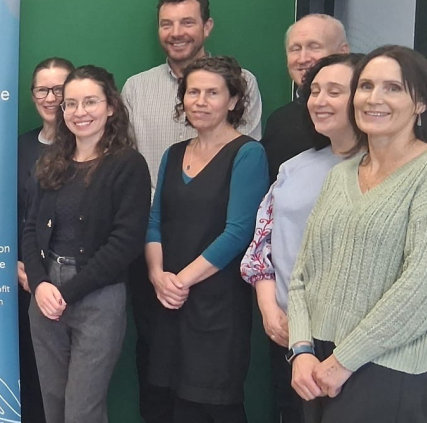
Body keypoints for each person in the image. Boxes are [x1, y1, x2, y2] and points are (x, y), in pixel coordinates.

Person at [287, 45, 427, 423]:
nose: (374, 98)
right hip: (318, 365)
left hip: (390, 370)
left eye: (393, 88)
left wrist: (343, 361)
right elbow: (302, 276)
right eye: (365, 86)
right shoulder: (340, 175)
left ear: (421, 104)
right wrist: (300, 350)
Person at [140, 56, 268, 422]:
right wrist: (157, 275)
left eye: (212, 93)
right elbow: (155, 220)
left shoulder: (248, 153)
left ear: (232, 101)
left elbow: (238, 232)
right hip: (169, 301)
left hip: (218, 306)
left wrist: (181, 281)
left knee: (215, 405)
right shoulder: (173, 154)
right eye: (193, 92)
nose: (200, 100)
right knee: (174, 403)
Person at [20, 65, 151, 423]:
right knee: (54, 403)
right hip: (46, 297)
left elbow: (125, 243)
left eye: (90, 101)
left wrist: (69, 291)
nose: (80, 112)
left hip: (98, 298)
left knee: (82, 410)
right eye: (71, 103)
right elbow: (30, 229)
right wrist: (40, 283)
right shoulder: (51, 163)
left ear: (111, 107)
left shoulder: (128, 165)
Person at [239, 53, 363, 423]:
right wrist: (269, 309)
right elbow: (262, 243)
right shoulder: (296, 165)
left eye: (335, 91)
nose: (320, 101)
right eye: (315, 91)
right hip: (286, 333)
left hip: (350, 343)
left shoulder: (384, 170)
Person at [122, 0, 263, 186]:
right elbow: (126, 166)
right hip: (148, 211)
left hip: (219, 211)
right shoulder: (135, 88)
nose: (176, 33)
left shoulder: (241, 82)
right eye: (167, 24)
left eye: (187, 22)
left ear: (207, 27)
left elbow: (247, 164)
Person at [16, 56, 73, 423]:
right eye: (43, 89)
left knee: (74, 388)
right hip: (25, 280)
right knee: (34, 381)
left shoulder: (89, 147)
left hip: (76, 285)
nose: (51, 97)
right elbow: (8, 212)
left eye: (60, 89)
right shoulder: (19, 147)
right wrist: (20, 267)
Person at [262, 14, 350, 182]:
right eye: (295, 49)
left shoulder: (363, 117)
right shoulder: (278, 121)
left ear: (342, 52)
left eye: (314, 47)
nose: (303, 58)